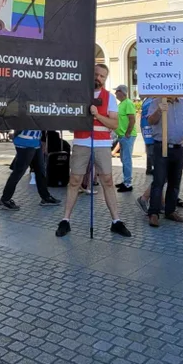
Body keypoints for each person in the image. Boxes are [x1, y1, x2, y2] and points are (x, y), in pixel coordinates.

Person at [56, 63, 131, 238]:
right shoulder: (80, 95)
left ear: (105, 79)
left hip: (102, 144)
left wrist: (97, 115)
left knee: (108, 180)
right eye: (96, 74)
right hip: (82, 141)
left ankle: (116, 221)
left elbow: (114, 124)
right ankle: (65, 220)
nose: (98, 78)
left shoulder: (109, 98)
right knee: (75, 180)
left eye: (102, 76)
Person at [145, 97, 183, 227]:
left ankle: (170, 211)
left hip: (179, 148)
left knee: (175, 181)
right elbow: (150, 121)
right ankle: (154, 213)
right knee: (159, 181)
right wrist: (159, 110)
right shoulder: (155, 102)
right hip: (161, 147)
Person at [0, 129, 60, 210]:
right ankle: (5, 199)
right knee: (18, 172)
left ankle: (45, 197)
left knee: (40, 170)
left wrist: (42, 140)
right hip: (25, 141)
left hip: (35, 141)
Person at [114, 85, 138, 192]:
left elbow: (132, 119)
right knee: (124, 159)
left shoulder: (128, 103)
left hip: (127, 136)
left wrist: (128, 132)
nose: (115, 94)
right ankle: (125, 180)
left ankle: (128, 183)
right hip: (122, 135)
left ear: (122, 92)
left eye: (117, 91)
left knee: (127, 159)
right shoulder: (122, 104)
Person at [140, 97, 156, 175]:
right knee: (151, 149)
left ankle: (149, 168)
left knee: (149, 148)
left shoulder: (146, 100)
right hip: (150, 126)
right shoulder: (151, 101)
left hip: (145, 126)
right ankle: (152, 168)